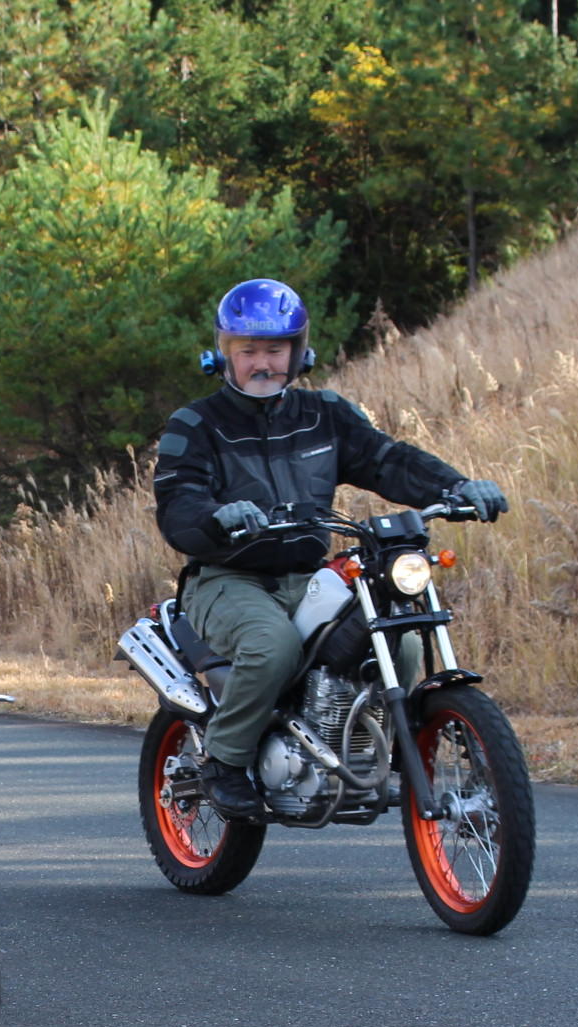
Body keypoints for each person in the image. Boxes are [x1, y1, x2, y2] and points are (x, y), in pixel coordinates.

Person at [150, 278, 508, 821]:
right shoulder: (197, 424)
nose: (262, 363)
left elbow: (388, 459)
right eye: (249, 351)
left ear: (298, 352)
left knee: (400, 639)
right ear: (225, 353)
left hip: (308, 573)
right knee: (272, 648)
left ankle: (378, 750)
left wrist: (456, 489)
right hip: (227, 577)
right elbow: (178, 501)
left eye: (275, 349)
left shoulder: (325, 414)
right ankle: (223, 762)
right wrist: (216, 518)